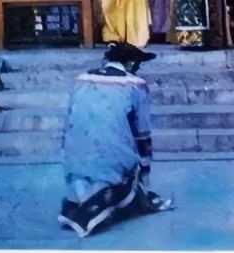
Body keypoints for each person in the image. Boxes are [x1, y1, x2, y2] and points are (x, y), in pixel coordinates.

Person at [58, 42, 173, 238]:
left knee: (85, 180)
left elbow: (70, 120)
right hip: (112, 157)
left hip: (74, 156)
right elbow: (142, 133)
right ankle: (93, 212)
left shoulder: (81, 79)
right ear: (131, 63)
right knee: (128, 185)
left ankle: (80, 204)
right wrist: (144, 167)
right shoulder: (135, 84)